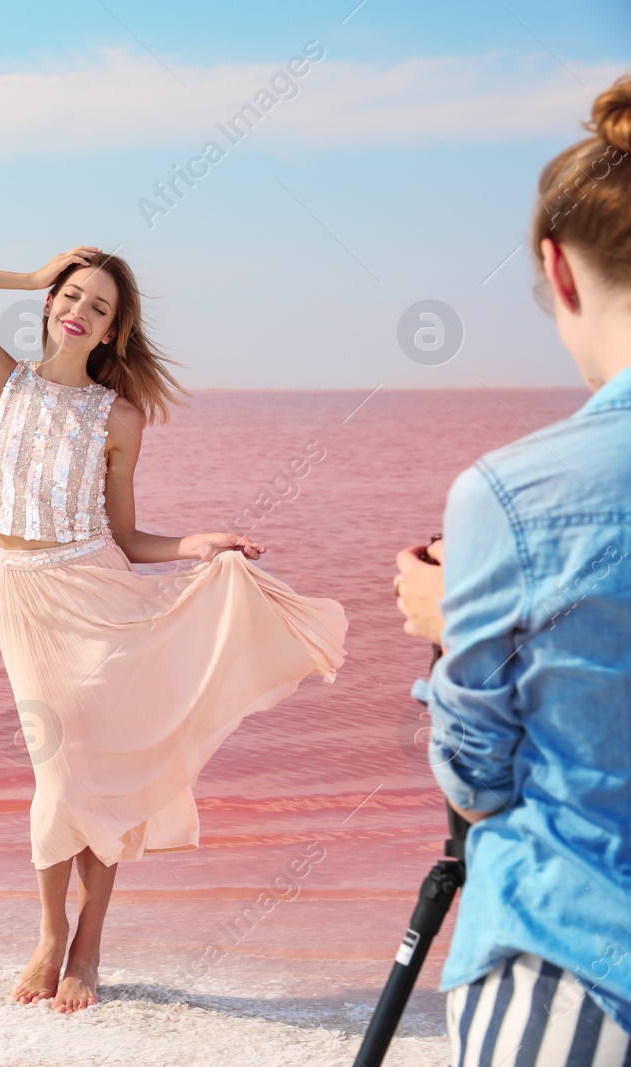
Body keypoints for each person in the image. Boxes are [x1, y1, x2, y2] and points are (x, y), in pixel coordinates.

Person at [0, 248, 348, 1013]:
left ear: (114, 331)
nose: (80, 310)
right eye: (71, 295)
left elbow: (127, 535)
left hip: (101, 595)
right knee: (58, 769)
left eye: (100, 307)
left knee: (99, 771)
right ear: (52, 304)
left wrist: (196, 545)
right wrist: (27, 275)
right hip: (24, 598)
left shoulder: (120, 418)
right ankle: (50, 932)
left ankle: (89, 941)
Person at [395, 73, 631, 1066]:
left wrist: (454, 622)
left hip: (573, 964)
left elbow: (478, 780)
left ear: (558, 269)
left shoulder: (513, 495)